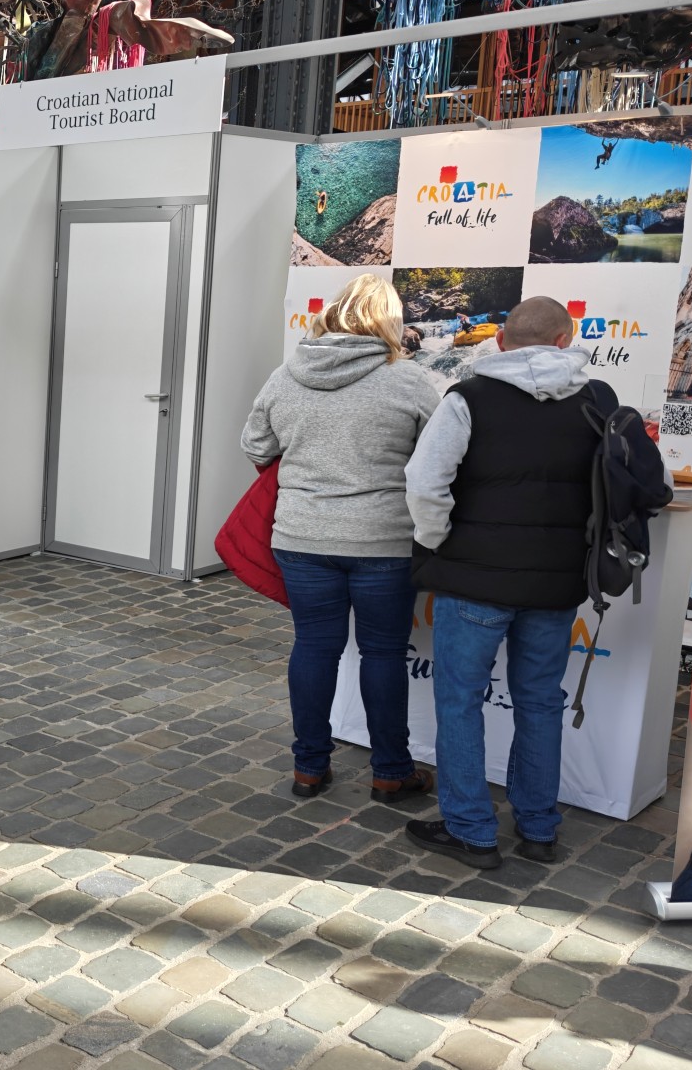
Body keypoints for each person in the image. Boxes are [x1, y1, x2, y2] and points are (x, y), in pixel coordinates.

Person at [404, 296, 668, 869]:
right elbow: (642, 481)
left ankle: (471, 831)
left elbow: (425, 482)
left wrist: (437, 540)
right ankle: (539, 829)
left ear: (500, 341)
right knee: (542, 703)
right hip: (557, 582)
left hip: (473, 581)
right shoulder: (598, 399)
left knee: (459, 702)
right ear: (566, 339)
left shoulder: (467, 398)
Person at [242, 274, 440, 804]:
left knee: (313, 646)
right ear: (389, 321)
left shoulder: (287, 375)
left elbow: (256, 446)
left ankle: (308, 768)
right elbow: (439, 461)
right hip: (383, 541)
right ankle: (391, 772)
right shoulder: (409, 380)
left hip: (302, 537)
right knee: (383, 654)